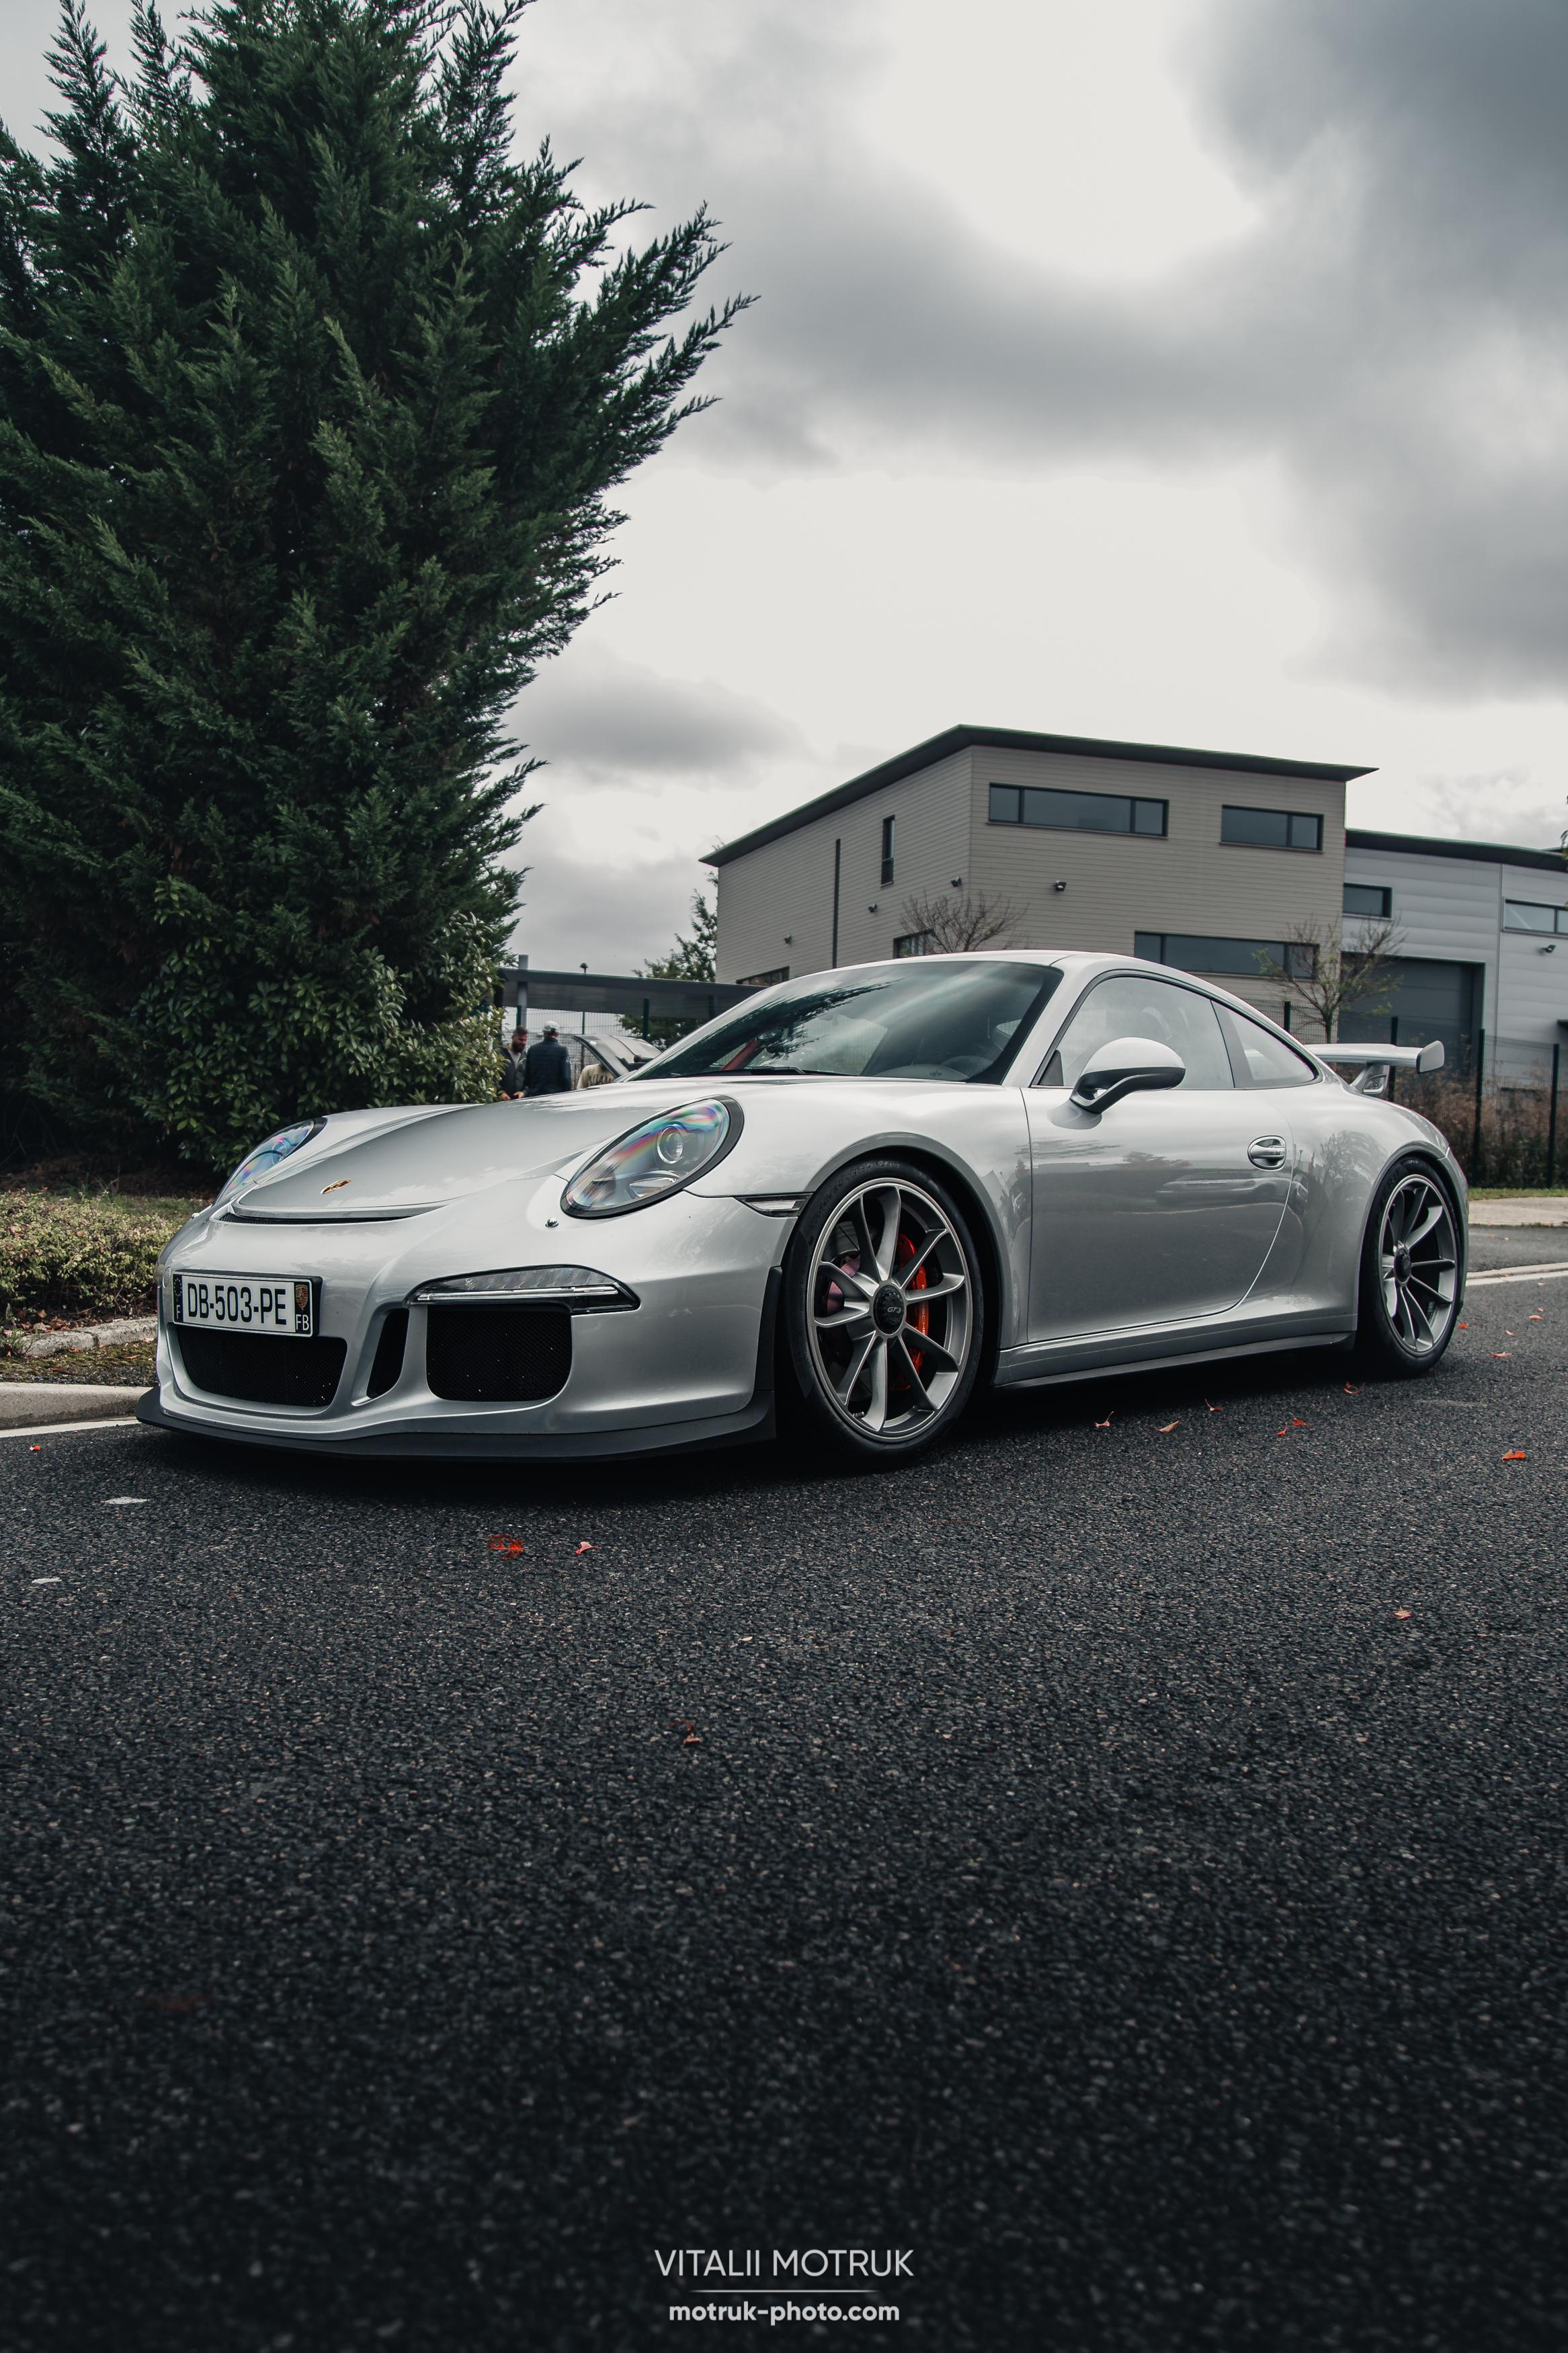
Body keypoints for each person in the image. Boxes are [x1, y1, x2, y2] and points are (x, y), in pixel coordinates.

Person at [523, 1023, 573, 1096]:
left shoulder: (532, 1049)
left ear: (544, 1033)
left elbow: (527, 1075)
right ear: (557, 1034)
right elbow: (566, 1077)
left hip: (535, 1094)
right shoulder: (562, 1050)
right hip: (555, 1095)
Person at [500, 1027, 529, 1098]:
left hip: (519, 1101)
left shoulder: (526, 1058)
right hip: (501, 1100)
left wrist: (524, 1093)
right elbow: (492, 1079)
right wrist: (500, 1093)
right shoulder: (500, 1054)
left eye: (525, 1040)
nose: (523, 1043)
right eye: (520, 1040)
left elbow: (530, 1080)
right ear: (513, 1038)